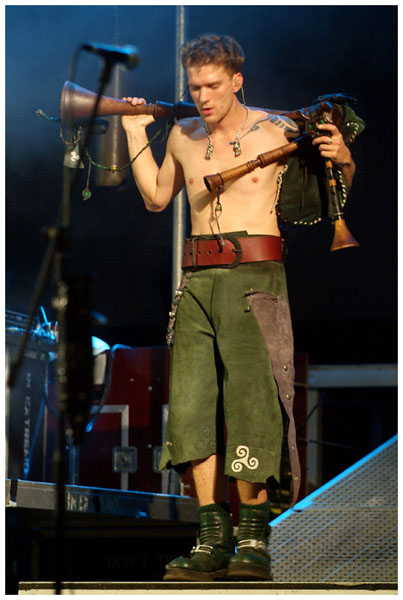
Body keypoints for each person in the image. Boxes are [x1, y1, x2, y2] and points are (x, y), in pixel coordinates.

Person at [122, 33, 356, 582]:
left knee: (252, 404)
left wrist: (344, 160)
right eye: (194, 87)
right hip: (196, 283)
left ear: (237, 81)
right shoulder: (182, 135)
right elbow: (156, 198)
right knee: (191, 407)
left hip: (255, 279)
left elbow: (330, 194)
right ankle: (210, 537)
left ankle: (252, 537)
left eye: (212, 85)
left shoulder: (275, 131)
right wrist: (134, 132)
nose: (202, 96)